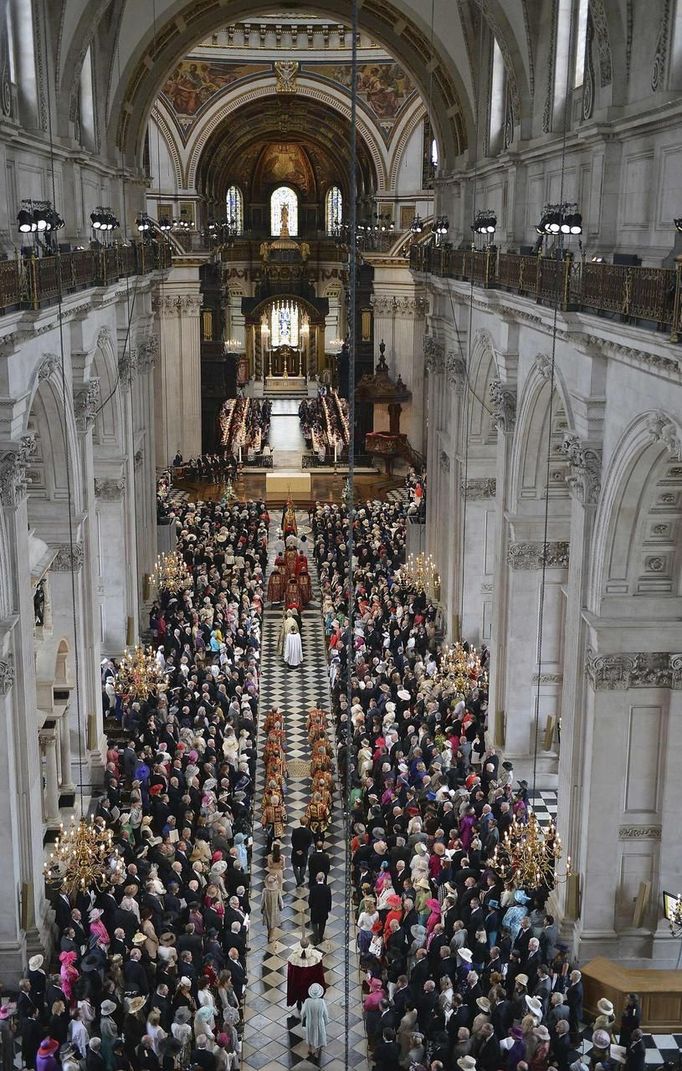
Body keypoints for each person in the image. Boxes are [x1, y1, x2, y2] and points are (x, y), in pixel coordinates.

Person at [286, 939, 326, 1016]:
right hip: (310, 982)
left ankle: (299, 1003)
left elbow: (291, 972)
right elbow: (319, 972)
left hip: (298, 983)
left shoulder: (293, 957)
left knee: (299, 992)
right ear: (308, 945)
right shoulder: (315, 956)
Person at [301, 983, 328, 1060]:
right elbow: (325, 1013)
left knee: (310, 1035)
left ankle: (310, 1049)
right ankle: (317, 1051)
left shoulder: (307, 1001)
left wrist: (303, 1019)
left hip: (310, 1022)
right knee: (318, 1035)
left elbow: (302, 1013)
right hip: (319, 1022)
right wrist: (326, 1021)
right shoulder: (321, 1002)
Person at [308, 872, 332, 945]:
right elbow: (329, 900)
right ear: (323, 879)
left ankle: (316, 937)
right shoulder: (327, 889)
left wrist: (311, 906)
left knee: (314, 924)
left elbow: (310, 900)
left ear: (316, 879)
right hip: (323, 910)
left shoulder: (313, 889)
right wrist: (328, 908)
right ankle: (320, 937)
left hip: (315, 910)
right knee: (322, 924)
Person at [291, 817, 313, 887]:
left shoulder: (295, 831)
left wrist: (297, 850)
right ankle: (301, 878)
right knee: (303, 865)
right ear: (306, 823)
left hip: (295, 851)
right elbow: (309, 843)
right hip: (304, 852)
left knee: (295, 865)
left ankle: (298, 880)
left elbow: (293, 841)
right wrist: (303, 850)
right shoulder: (308, 832)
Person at [261, 873, 283, 941]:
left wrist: (262, 908)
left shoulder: (265, 890)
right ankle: (271, 936)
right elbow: (280, 900)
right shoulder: (277, 891)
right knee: (273, 922)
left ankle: (269, 933)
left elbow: (262, 901)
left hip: (267, 909)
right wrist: (281, 907)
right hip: (275, 909)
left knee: (268, 921)